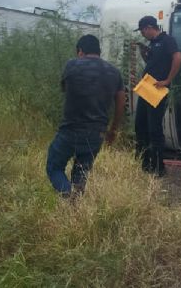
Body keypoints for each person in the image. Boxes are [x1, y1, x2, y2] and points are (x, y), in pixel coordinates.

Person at [46, 34, 126, 196]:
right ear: (99, 51)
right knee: (81, 171)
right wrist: (113, 130)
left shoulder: (72, 65)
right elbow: (121, 103)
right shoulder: (114, 72)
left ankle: (67, 195)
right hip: (97, 132)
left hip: (70, 129)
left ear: (80, 51)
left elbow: (64, 89)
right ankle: (77, 204)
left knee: (54, 167)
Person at [134, 15, 181, 176]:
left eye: (142, 31)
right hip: (147, 87)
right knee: (140, 125)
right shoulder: (153, 43)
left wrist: (168, 80)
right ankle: (144, 163)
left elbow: (178, 58)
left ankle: (158, 167)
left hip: (157, 89)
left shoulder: (167, 40)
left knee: (154, 127)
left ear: (149, 27)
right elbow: (153, 63)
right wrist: (144, 53)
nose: (142, 34)